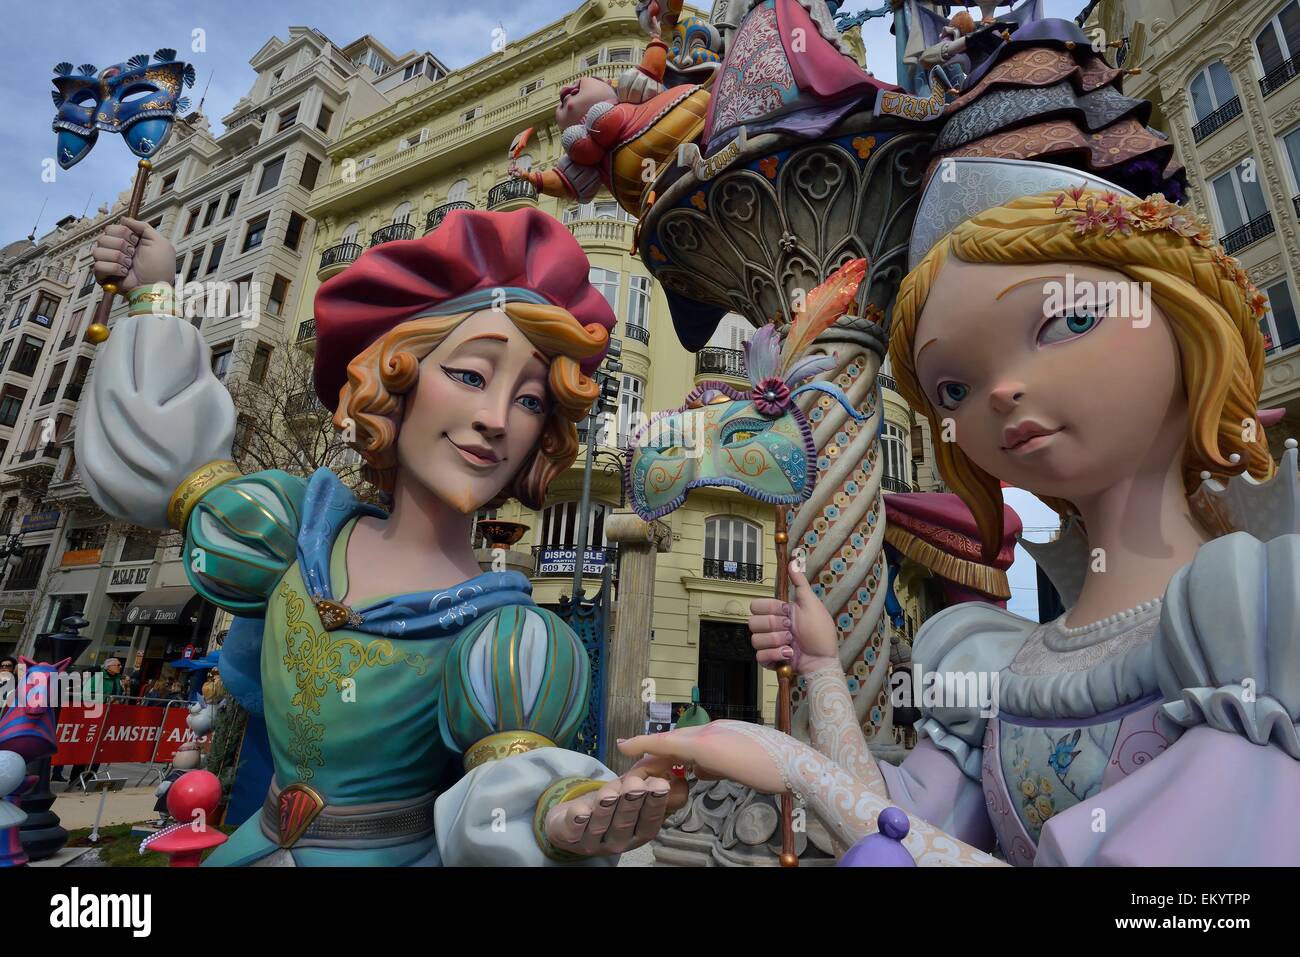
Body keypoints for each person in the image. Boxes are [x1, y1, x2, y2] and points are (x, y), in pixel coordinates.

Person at [617, 168, 1300, 866]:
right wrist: (822, 669)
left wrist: (801, 768)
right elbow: (899, 825)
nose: (1001, 391)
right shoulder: (995, 659)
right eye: (955, 386)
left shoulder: (1257, 624)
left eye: (1068, 319)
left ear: (1190, 324)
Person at [77, 207, 682, 866]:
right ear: (399, 375)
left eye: (530, 401)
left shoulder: (511, 637)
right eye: (472, 375)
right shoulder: (292, 530)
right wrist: (154, 293)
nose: (494, 419)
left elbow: (510, 790)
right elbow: (157, 457)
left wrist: (558, 821)